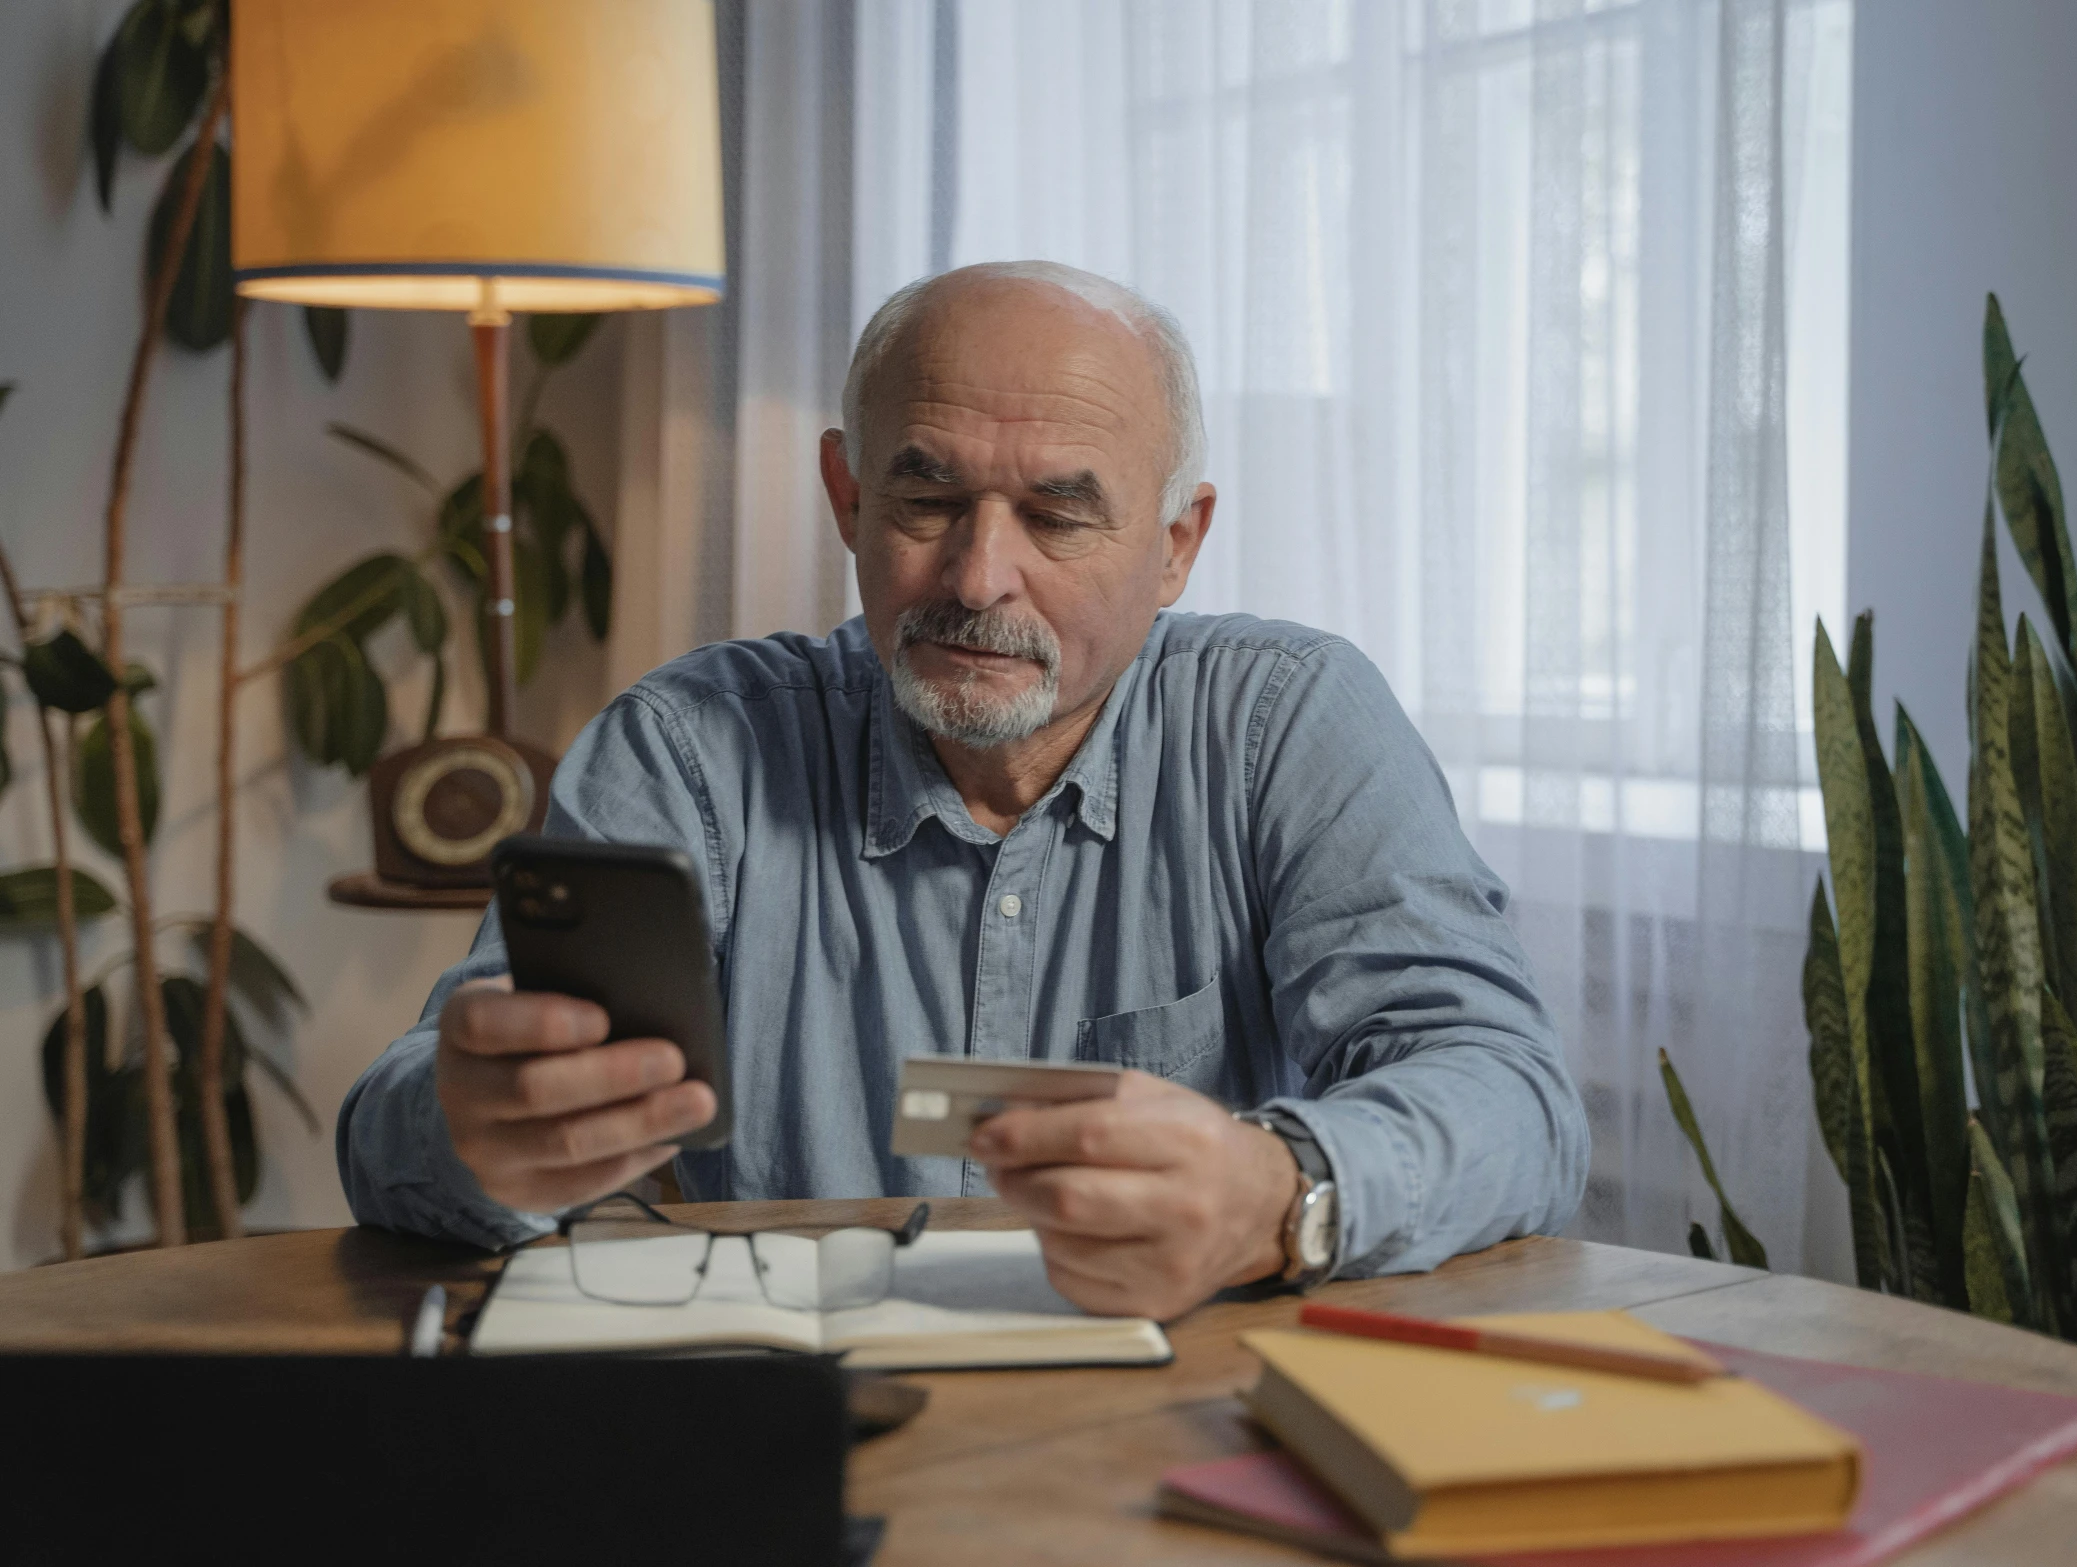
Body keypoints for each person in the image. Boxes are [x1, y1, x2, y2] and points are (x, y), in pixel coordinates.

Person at [338, 261, 1587, 1320]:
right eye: (927, 499)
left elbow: (1509, 1096)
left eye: (1057, 517)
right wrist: (475, 1127)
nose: (979, 576)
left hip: (1179, 1432)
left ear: (1175, 547)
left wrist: (1281, 1191)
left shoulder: (1284, 722)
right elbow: (395, 1124)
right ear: (846, 496)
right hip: (797, 1431)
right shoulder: (687, 751)